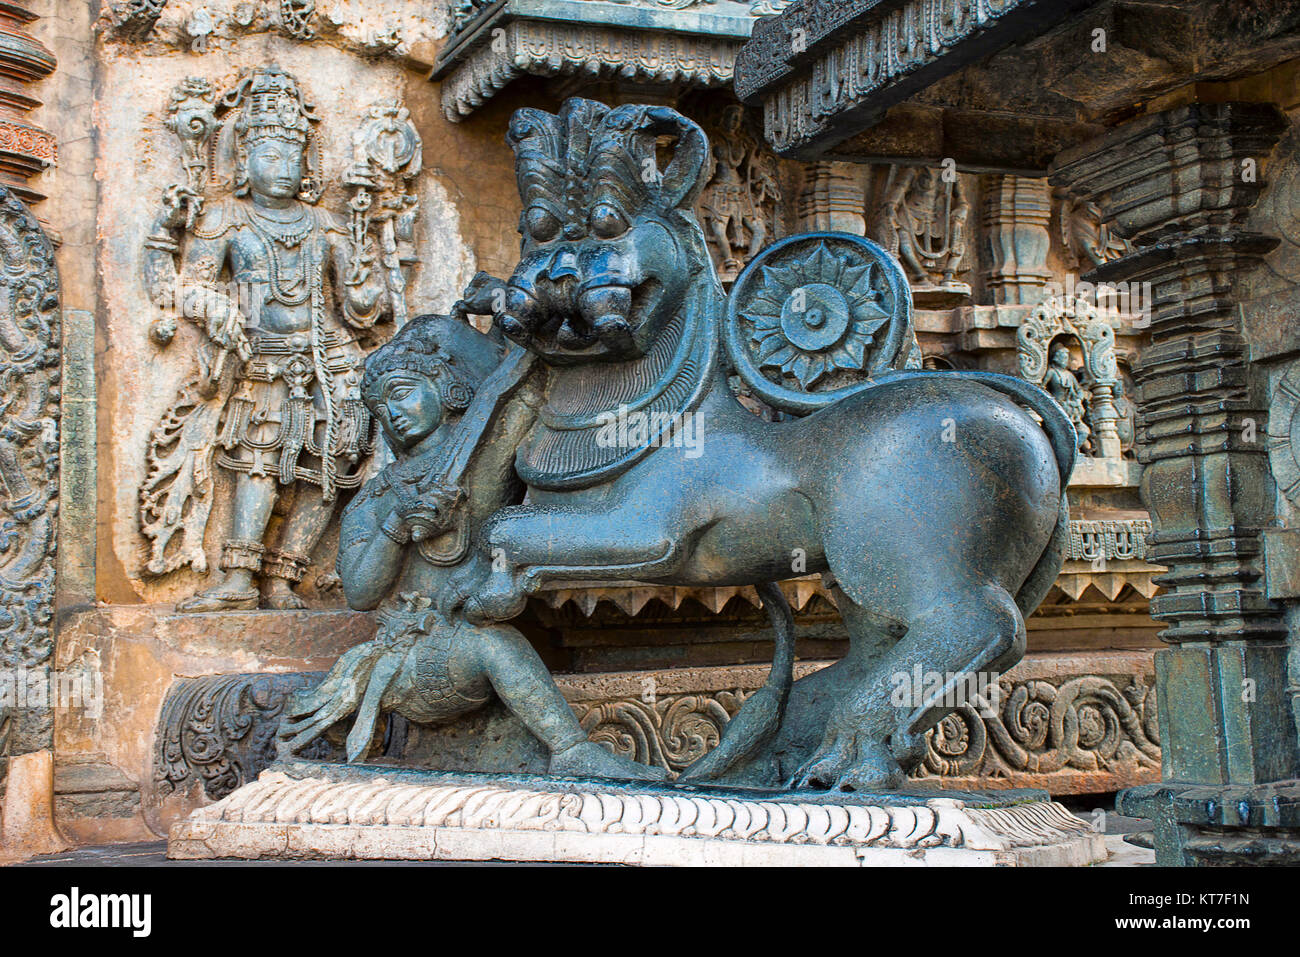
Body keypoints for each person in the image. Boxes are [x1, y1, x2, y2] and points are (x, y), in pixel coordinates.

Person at [278, 314, 665, 780]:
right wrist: (397, 526)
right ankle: (570, 748)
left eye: (402, 394)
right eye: (380, 410)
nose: (392, 414)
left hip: (463, 634)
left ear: (447, 389)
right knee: (492, 646)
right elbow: (359, 593)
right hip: (413, 658)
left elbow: (518, 397)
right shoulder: (375, 499)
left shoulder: (478, 454)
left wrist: (531, 322)